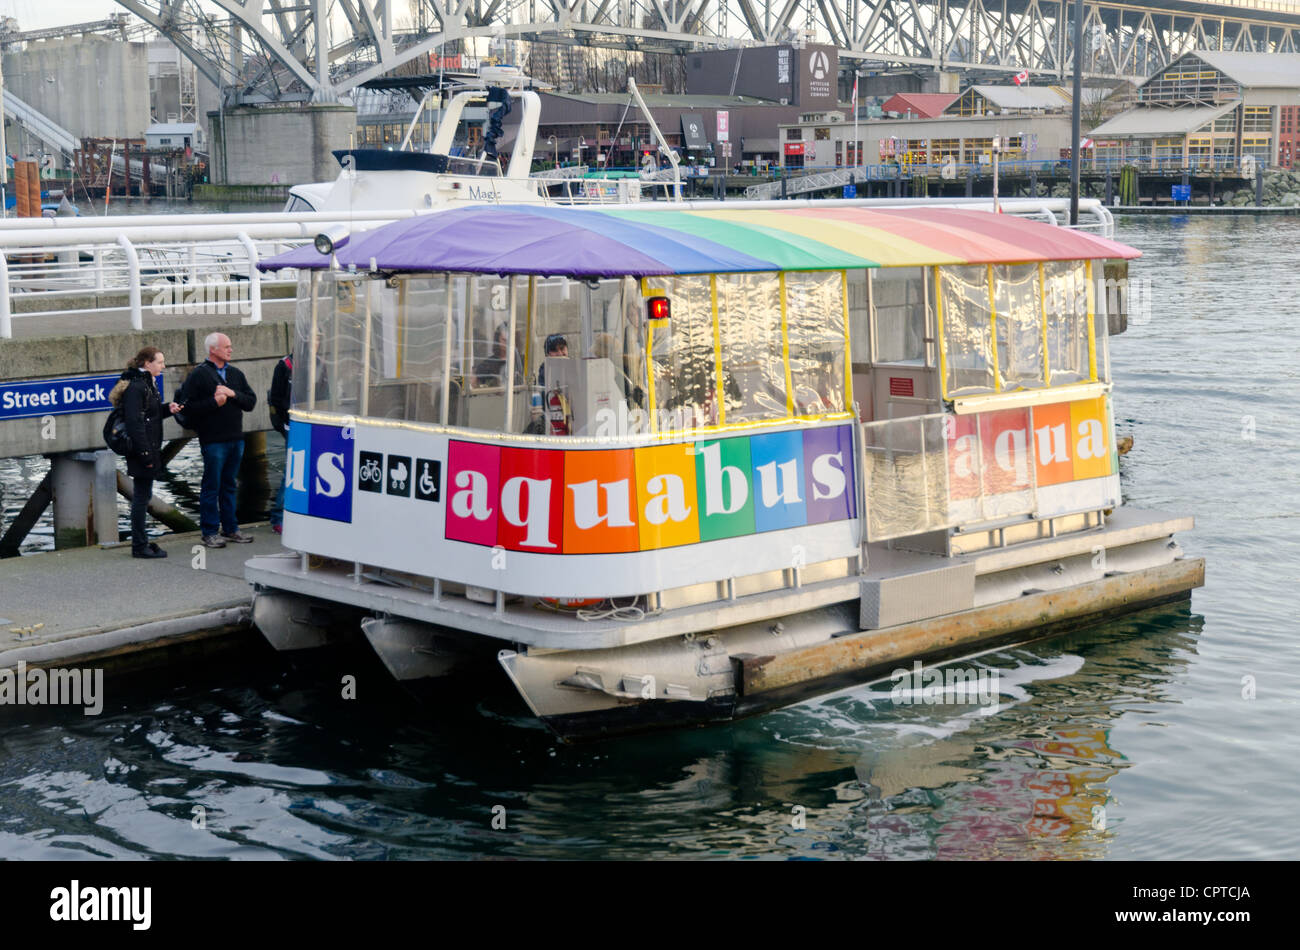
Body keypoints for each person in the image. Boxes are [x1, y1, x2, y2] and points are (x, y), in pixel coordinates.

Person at [181, 332, 257, 548]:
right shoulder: (199, 375)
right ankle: (209, 531)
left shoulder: (236, 374)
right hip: (213, 440)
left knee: (230, 485)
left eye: (230, 346)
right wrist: (214, 402)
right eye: (226, 347)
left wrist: (232, 393)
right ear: (213, 350)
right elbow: (187, 408)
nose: (230, 350)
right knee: (211, 486)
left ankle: (231, 528)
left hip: (236, 438)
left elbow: (251, 402)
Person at [110, 346, 184, 559]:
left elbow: (149, 415)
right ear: (147, 363)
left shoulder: (147, 383)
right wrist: (145, 455)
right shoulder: (136, 387)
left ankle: (141, 542)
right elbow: (135, 423)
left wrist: (167, 409)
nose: (163, 365)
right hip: (141, 451)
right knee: (141, 498)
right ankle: (139, 546)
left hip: (148, 449)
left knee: (143, 496)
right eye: (160, 362)